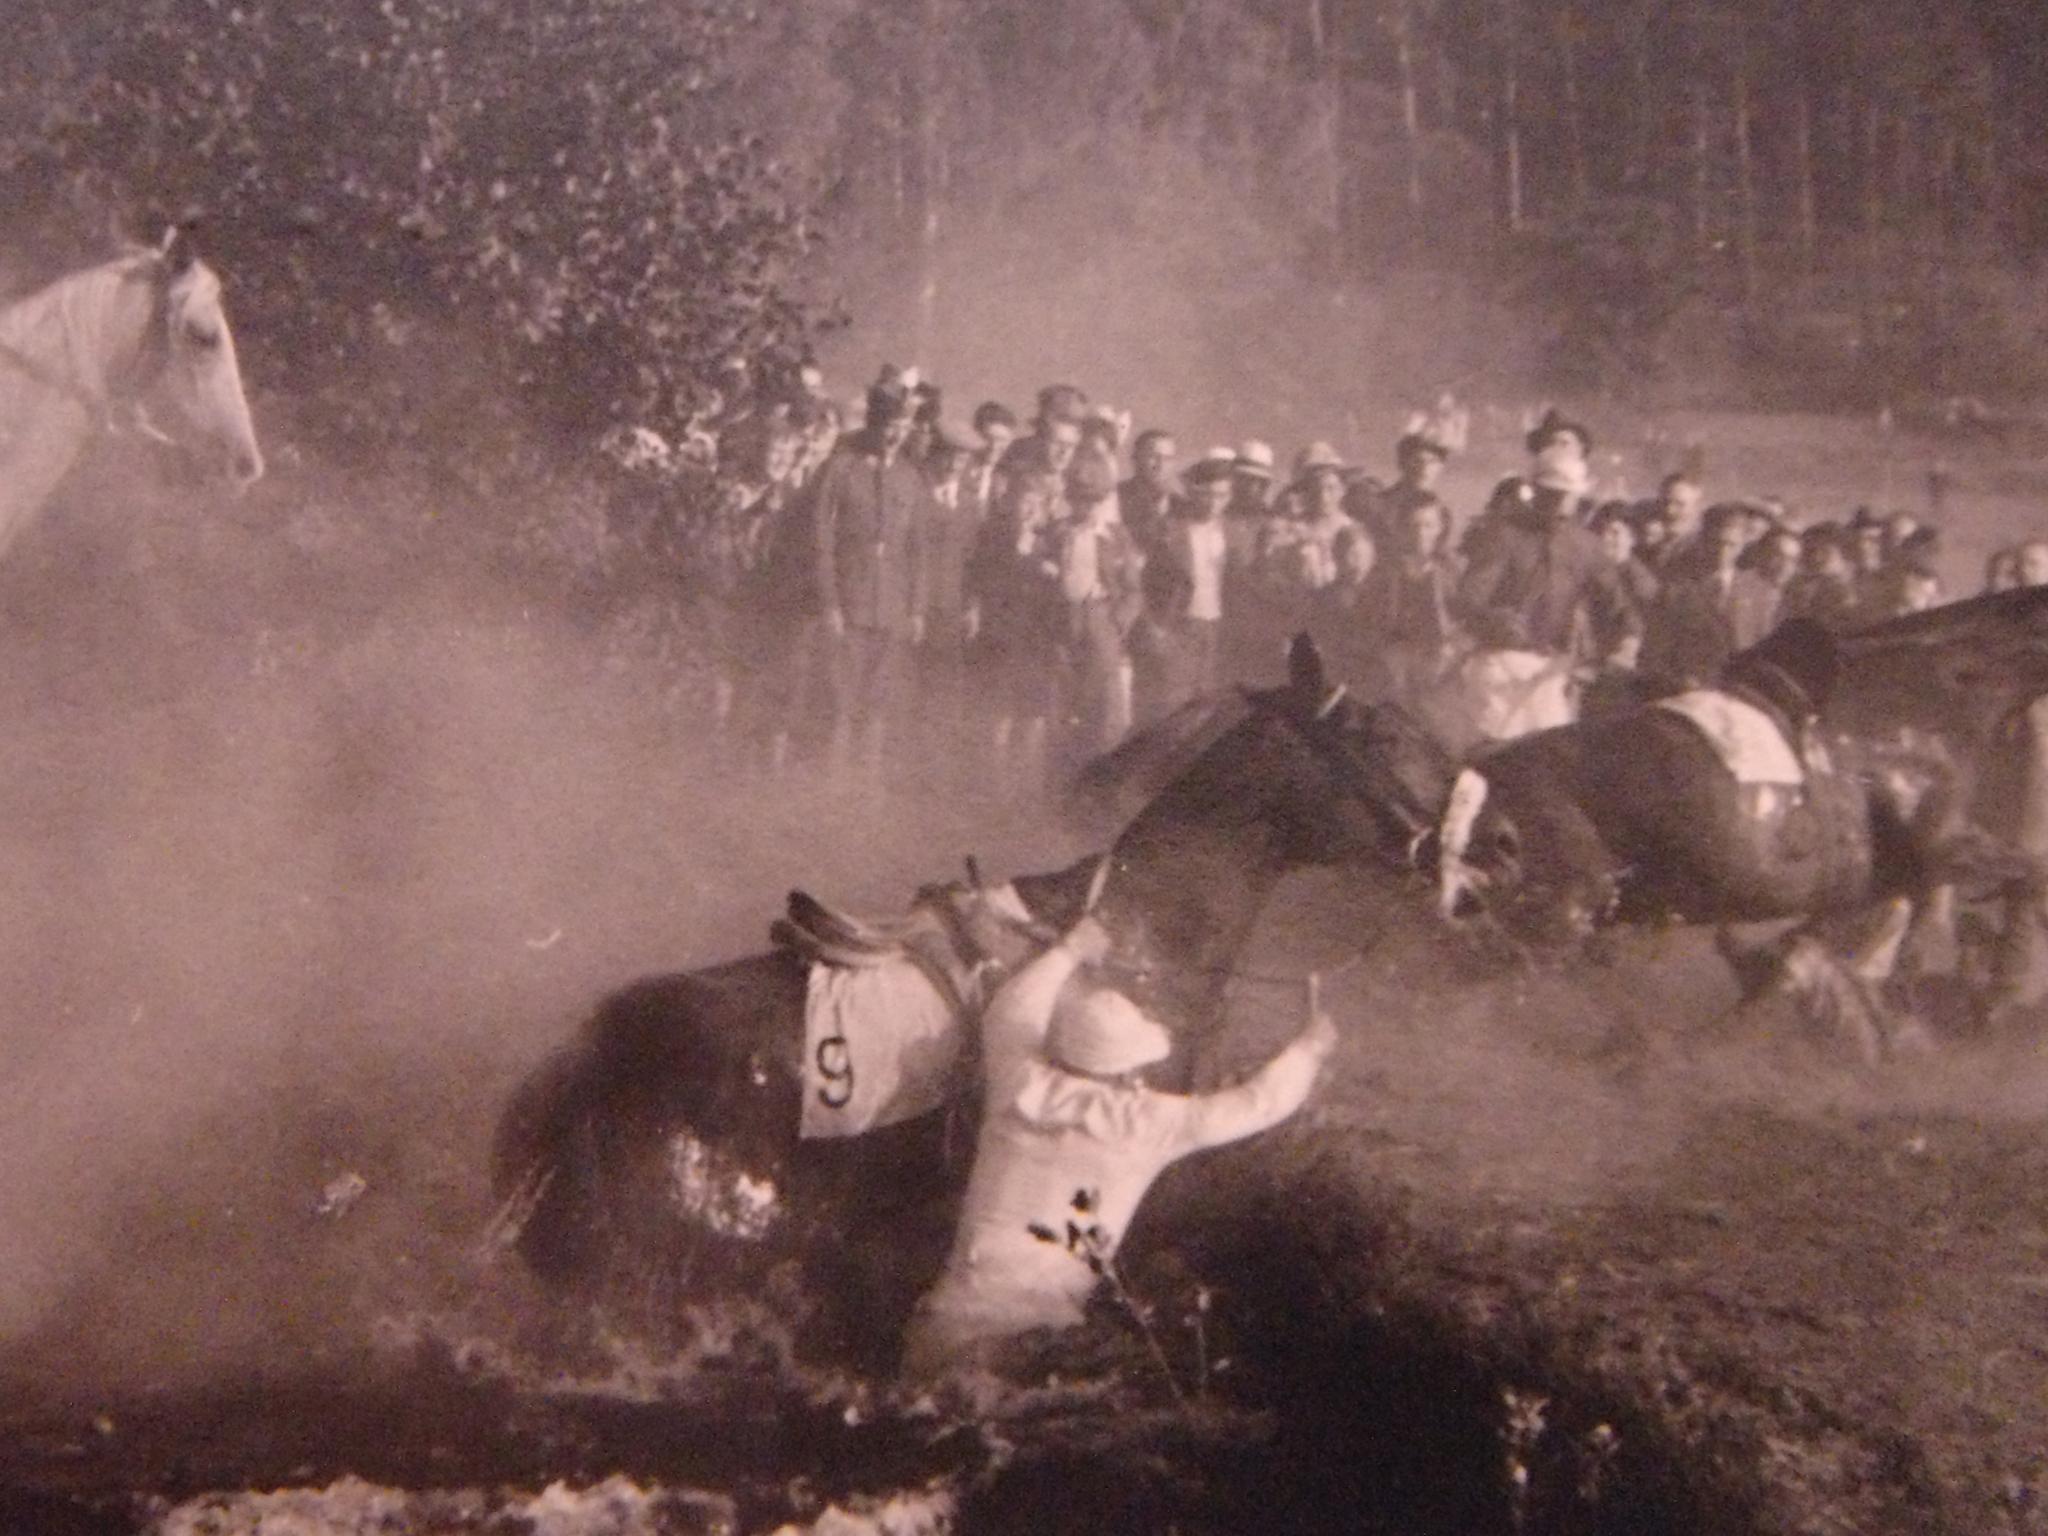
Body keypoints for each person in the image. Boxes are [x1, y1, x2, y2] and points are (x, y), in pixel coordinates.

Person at [899, 912, 1338, 1379]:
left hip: (946, 1321)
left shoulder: (1018, 1081)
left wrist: (1070, 949)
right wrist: (1310, 1049)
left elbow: (1011, 1011)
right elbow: (1261, 1103)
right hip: (1035, 1344)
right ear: (1131, 1073)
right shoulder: (1148, 1122)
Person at [809, 374, 934, 769]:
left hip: (891, 610)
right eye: (887, 427)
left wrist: (915, 609)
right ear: (872, 424)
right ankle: (828, 788)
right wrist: (830, 604)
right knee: (838, 703)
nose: (894, 436)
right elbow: (822, 543)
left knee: (879, 706)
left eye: (902, 428)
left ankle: (866, 793)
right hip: (849, 605)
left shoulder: (911, 478)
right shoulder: (841, 470)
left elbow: (918, 550)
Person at [1055, 448, 1145, 761]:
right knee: (1064, 707)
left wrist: (1117, 622)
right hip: (1063, 625)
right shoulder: (1057, 532)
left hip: (1102, 624)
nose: (1087, 507)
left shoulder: (1116, 537)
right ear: (1069, 497)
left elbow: (1134, 590)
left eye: (1094, 500)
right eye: (1080, 499)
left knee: (1106, 712)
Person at [1641, 501, 1779, 689]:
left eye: (1731, 545)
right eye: (1717, 543)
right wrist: (1676, 681)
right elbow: (1652, 653)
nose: (1722, 552)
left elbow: (1765, 653)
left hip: (1739, 693)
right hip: (1685, 692)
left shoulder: (1759, 593)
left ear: (1743, 544)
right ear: (1703, 540)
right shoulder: (1676, 590)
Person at [1118, 428, 1180, 552]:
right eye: (1153, 456)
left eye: (1168, 459)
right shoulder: (1116, 498)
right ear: (1135, 459)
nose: (1161, 465)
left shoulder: (1180, 505)